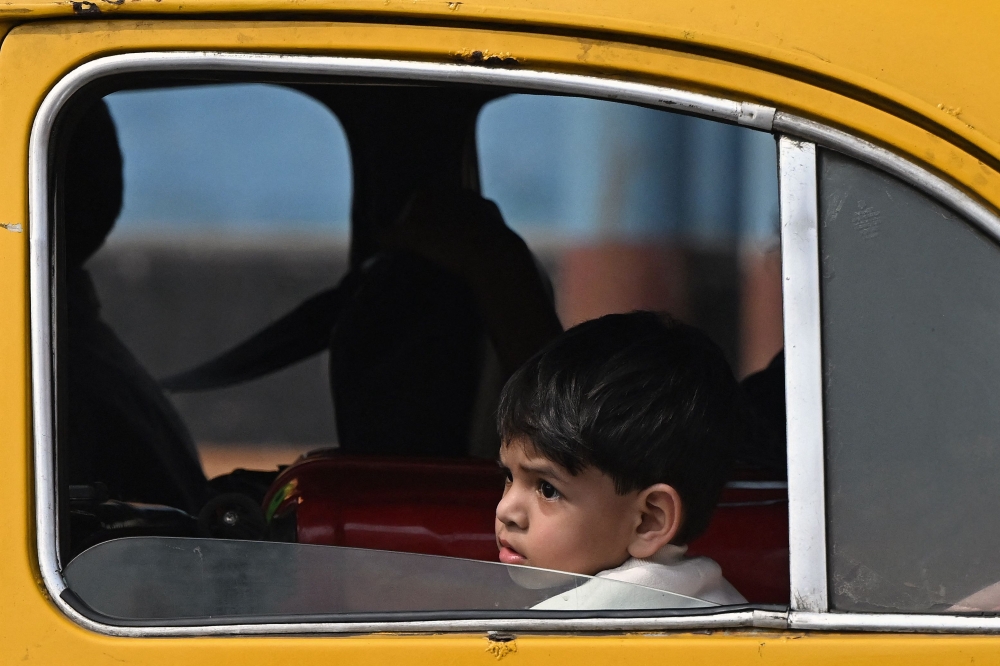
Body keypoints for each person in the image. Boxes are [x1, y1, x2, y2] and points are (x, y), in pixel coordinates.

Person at [494, 311, 747, 606]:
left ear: (648, 521)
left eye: (547, 489)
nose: (505, 510)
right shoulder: (711, 601)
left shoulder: (574, 630)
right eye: (509, 477)